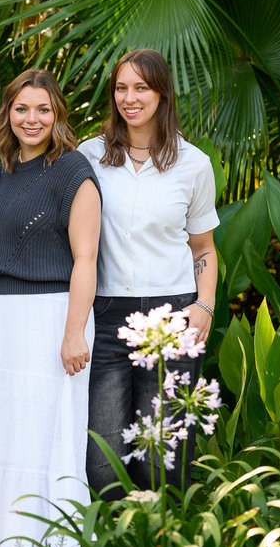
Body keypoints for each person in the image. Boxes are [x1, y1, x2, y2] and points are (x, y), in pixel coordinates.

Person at [0, 69, 101, 547]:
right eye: (21, 109)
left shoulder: (73, 170)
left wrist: (74, 331)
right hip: (5, 319)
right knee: (3, 429)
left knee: (51, 433)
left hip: (55, 315)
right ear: (7, 113)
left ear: (56, 115)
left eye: (42, 109)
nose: (31, 119)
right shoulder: (0, 171)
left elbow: (86, 259)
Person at [77, 48, 219, 496]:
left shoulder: (193, 164)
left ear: (162, 93)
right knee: (101, 460)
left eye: (141, 87)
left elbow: (204, 247)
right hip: (106, 317)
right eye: (121, 87)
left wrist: (204, 307)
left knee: (163, 458)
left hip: (173, 315)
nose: (129, 97)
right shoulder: (90, 155)